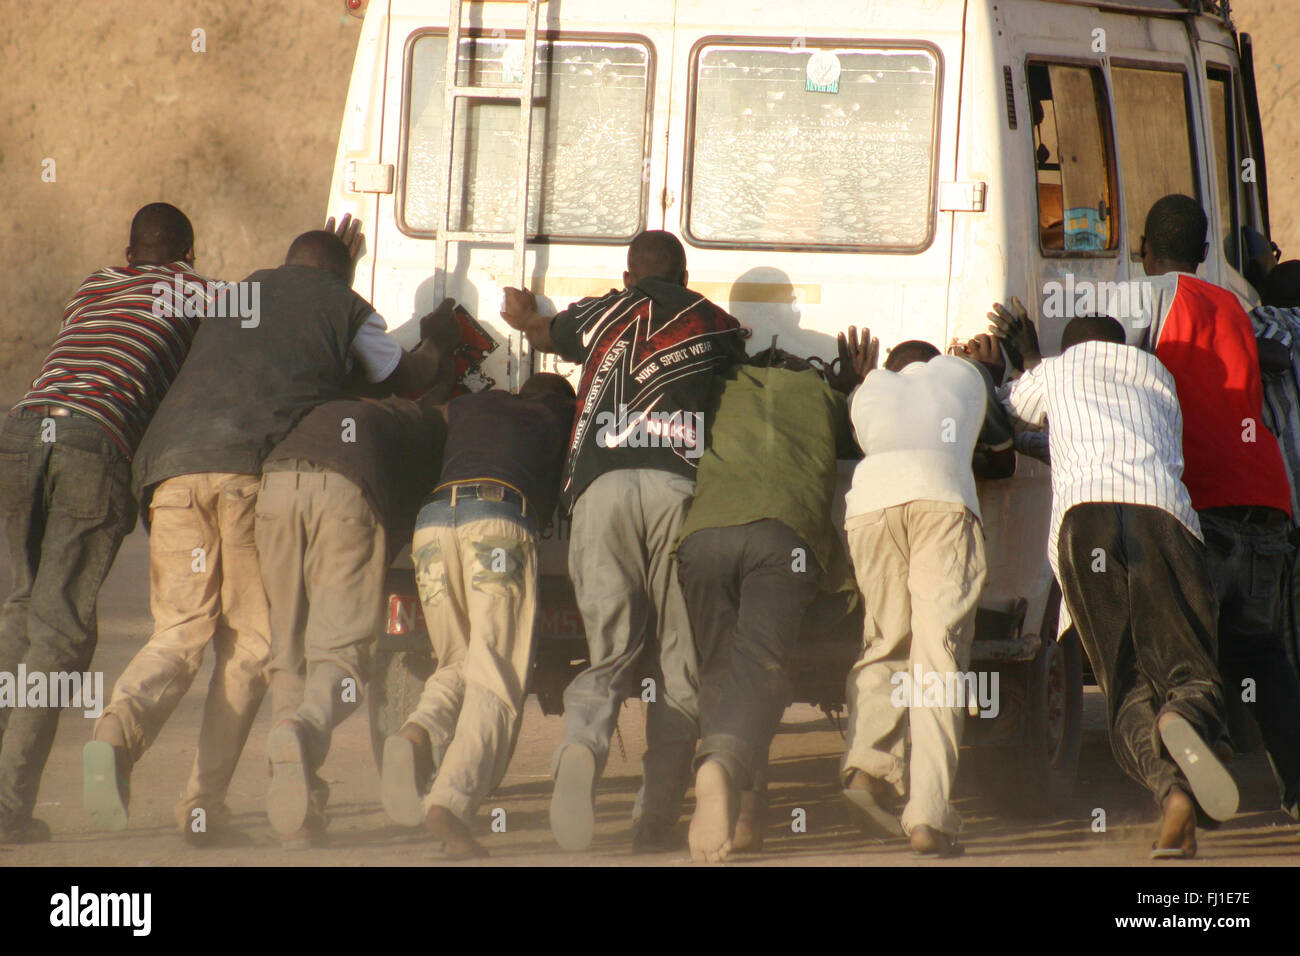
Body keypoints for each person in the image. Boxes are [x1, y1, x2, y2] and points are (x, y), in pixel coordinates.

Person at [83, 218, 449, 845]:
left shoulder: (236, 294)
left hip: (171, 471)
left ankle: (116, 729)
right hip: (248, 470)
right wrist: (438, 342)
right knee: (251, 645)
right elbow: (400, 378)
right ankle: (202, 804)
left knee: (177, 632)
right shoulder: (346, 304)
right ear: (342, 273)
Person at [1000, 194, 1300, 821]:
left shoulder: (1141, 297)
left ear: (1144, 248)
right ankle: (1282, 783)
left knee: (1160, 648)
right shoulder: (1235, 305)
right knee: (1261, 653)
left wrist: (1030, 368)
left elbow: (1099, 377)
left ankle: (1177, 742)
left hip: (1195, 501)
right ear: (1205, 247)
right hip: (1266, 494)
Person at [501, 230, 745, 851]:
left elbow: (538, 330)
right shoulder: (715, 323)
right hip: (675, 489)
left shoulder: (602, 309)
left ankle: (581, 749)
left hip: (600, 487)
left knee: (608, 652)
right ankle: (654, 816)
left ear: (630, 272)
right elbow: (743, 377)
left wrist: (525, 312)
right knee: (677, 661)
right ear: (684, 273)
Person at [994, 309, 1237, 858]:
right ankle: (1189, 714)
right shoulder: (1158, 377)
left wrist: (1020, 362)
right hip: (1161, 515)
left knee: (1123, 681)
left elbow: (1012, 408)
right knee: (1188, 666)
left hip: (1087, 522)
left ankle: (1169, 791)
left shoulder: (1056, 370)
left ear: (1070, 347)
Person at [0, 204, 207, 844]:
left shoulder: (95, 283)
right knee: (60, 633)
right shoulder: (199, 295)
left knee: (19, 608)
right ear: (188, 256)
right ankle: (7, 808)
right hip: (96, 440)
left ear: (127, 252)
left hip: (22, 428)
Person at [258, 301, 461, 847]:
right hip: (344, 494)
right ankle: (301, 729)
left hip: (274, 489)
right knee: (342, 656)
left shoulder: (339, 402)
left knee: (288, 649)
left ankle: (297, 804)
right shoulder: (421, 422)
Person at [674, 330, 872, 861]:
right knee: (760, 665)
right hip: (781, 540)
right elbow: (859, 434)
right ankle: (720, 770)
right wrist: (849, 381)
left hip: (704, 536)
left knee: (721, 669)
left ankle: (743, 818)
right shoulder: (823, 399)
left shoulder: (718, 389)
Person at [379, 373, 576, 859]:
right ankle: (451, 800)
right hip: (496, 524)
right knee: (495, 676)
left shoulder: (470, 406)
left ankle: (415, 733)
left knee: (456, 663)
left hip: (431, 527)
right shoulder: (556, 416)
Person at [837, 340, 990, 858]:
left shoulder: (869, 391)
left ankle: (865, 770)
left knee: (883, 642)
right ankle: (928, 815)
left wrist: (861, 377)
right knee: (937, 658)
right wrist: (988, 366)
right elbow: (1001, 445)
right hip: (941, 501)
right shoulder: (964, 376)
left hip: (869, 507)